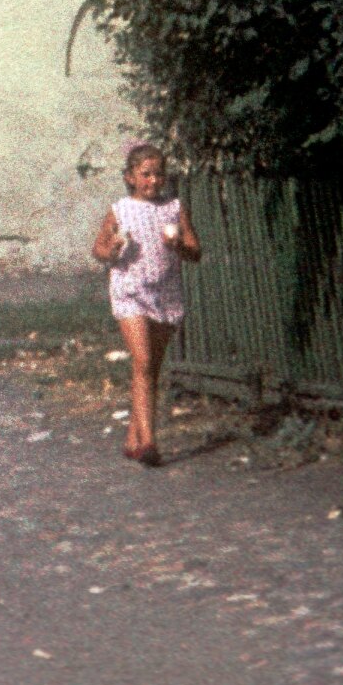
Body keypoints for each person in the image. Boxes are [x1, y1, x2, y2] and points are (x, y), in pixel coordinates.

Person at [92, 140, 202, 467]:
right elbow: (99, 249)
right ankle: (150, 443)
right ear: (130, 177)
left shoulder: (174, 208)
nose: (154, 180)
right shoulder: (120, 210)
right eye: (146, 174)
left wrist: (178, 245)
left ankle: (132, 439)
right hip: (130, 291)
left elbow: (195, 252)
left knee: (151, 367)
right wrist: (112, 249)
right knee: (142, 362)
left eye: (159, 174)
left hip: (165, 293)